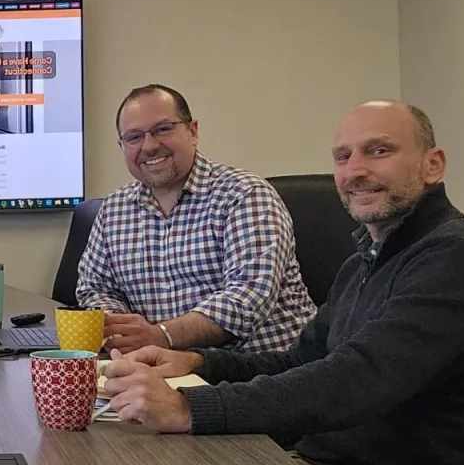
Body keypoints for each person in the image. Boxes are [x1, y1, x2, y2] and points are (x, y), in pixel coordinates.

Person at [103, 101, 464, 465]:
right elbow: (301, 360)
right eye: (343, 157)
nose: (355, 171)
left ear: (433, 165)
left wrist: (188, 408)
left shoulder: (454, 256)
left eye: (378, 151)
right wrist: (198, 361)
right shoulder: (366, 260)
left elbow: (355, 380)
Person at [74, 84, 316, 354]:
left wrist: (161, 336)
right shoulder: (114, 209)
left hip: (264, 374)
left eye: (163, 129)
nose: (150, 146)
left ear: (193, 132)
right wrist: (122, 330)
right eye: (134, 137)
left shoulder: (245, 194)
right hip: (165, 371)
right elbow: (95, 287)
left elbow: (248, 297)